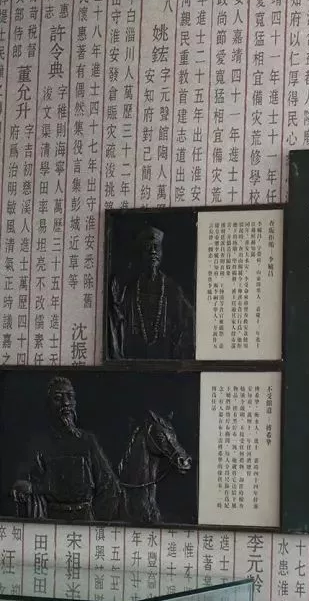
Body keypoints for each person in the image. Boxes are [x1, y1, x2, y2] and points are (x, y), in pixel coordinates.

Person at [11, 376, 122, 522]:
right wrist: (29, 489)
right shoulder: (39, 444)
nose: (66, 403)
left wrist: (96, 520)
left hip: (85, 519)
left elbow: (109, 484)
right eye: (58, 398)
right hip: (51, 519)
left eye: (70, 397)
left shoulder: (88, 441)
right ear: (48, 405)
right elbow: (26, 484)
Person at [107, 224, 194, 359]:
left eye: (156, 247)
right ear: (140, 254)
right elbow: (118, 322)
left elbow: (187, 320)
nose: (153, 252)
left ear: (162, 252)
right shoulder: (130, 289)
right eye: (148, 248)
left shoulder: (173, 289)